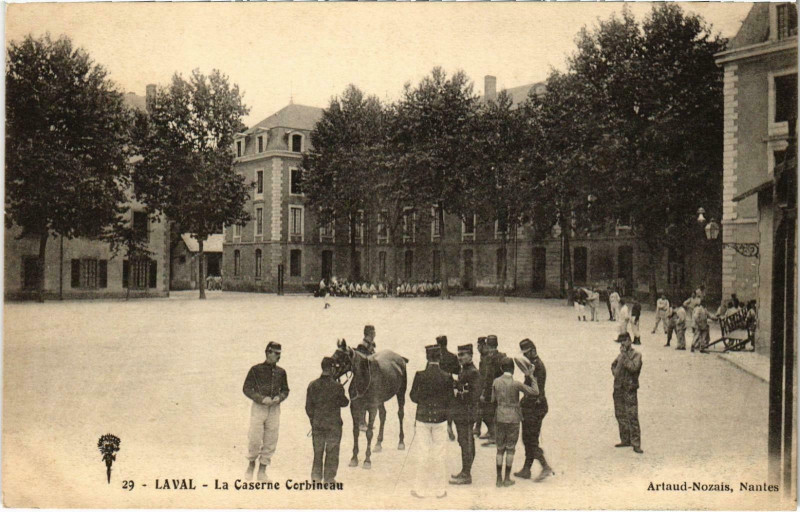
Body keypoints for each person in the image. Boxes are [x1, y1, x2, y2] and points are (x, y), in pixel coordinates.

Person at [409, 345, 454, 499]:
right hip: (440, 419)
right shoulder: (447, 376)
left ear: (427, 357)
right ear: (439, 357)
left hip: (422, 418)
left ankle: (420, 490)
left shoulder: (420, 375)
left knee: (423, 453)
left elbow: (413, 397)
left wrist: (424, 399)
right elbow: (450, 400)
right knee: (439, 454)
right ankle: (440, 491)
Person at [243, 342, 290, 482]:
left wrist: (279, 398)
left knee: (271, 439)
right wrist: (261, 399)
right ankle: (251, 465)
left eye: (279, 354)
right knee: (255, 438)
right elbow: (246, 388)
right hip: (259, 407)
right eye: (275, 353)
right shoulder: (255, 370)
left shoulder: (282, 372)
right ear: (267, 353)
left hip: (274, 409)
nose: (277, 356)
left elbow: (286, 390)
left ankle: (262, 471)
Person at [491, 357, 538, 487]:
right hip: (513, 418)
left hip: (500, 416)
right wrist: (532, 377)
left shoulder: (496, 382)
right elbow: (535, 391)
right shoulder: (516, 384)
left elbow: (492, 399)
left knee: (500, 449)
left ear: (501, 368)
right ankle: (507, 478)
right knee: (510, 449)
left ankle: (498, 479)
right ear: (513, 369)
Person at [515, 339, 554, 482]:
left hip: (535, 407)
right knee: (528, 439)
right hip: (532, 406)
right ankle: (527, 469)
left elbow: (535, 389)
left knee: (530, 440)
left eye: (527, 353)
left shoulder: (537, 367)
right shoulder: (533, 365)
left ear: (533, 350)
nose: (525, 356)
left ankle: (545, 466)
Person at [305, 357, 349, 483]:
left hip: (317, 424)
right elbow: (344, 402)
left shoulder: (312, 385)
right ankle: (329, 479)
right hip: (333, 425)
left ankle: (316, 477)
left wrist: (313, 420)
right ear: (332, 368)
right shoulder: (337, 386)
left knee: (318, 452)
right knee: (332, 451)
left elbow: (308, 407)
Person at [449, 344, 481, 485]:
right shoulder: (465, 371)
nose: (460, 358)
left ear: (471, 355)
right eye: (459, 355)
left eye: (463, 355)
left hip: (466, 413)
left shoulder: (472, 372)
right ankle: (465, 471)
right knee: (465, 443)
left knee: (466, 443)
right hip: (463, 413)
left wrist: (456, 390)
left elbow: (473, 396)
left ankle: (466, 474)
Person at [611, 334, 643, 454]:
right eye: (620, 343)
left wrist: (624, 357)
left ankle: (636, 443)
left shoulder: (636, 355)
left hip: (629, 389)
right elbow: (613, 365)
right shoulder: (620, 355)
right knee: (620, 414)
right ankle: (625, 439)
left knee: (632, 416)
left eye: (623, 342)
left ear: (629, 341)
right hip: (618, 388)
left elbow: (634, 368)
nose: (622, 345)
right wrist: (615, 373)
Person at [480, 335, 506, 446]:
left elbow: (489, 376)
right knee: (492, 412)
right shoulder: (500, 356)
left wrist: (484, 391)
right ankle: (492, 433)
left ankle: (495, 436)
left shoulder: (493, 357)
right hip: (496, 388)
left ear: (487, 345)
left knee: (491, 412)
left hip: (492, 389)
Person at [437, 335, 460, 441]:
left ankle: (439, 426)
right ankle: (449, 425)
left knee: (438, 405)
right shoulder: (453, 356)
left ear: (438, 344)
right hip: (449, 384)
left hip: (438, 384)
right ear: (446, 343)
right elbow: (458, 371)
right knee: (450, 405)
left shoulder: (435, 356)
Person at [474, 336, 488, 438]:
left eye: (479, 346)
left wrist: (483, 390)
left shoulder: (487, 357)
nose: (477, 348)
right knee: (480, 407)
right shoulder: (483, 356)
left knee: (482, 408)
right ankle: (477, 428)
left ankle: (478, 428)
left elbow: (487, 375)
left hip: (486, 386)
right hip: (482, 385)